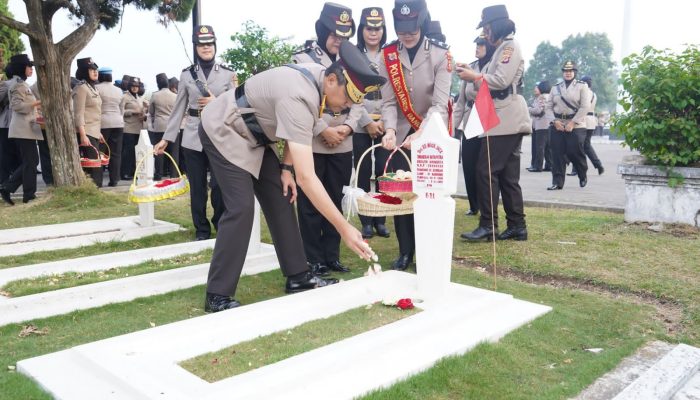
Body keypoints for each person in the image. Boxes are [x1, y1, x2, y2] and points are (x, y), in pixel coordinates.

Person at [160, 40, 384, 312]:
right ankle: (217, 294)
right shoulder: (300, 93)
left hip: (255, 135)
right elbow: (308, 178)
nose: (347, 105)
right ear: (333, 79)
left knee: (281, 196)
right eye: (348, 97)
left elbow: (296, 130)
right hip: (223, 129)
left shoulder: (318, 79)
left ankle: (298, 276)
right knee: (241, 208)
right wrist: (344, 227)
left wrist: (286, 169)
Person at [379, 0, 452, 270]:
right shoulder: (387, 56)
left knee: (428, 195)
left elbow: (439, 104)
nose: (407, 34)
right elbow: (387, 102)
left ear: (421, 23)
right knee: (402, 195)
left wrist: (421, 132)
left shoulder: (440, 55)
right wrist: (388, 129)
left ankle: (428, 252)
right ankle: (405, 251)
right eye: (401, 29)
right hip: (399, 134)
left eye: (411, 28)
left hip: (430, 132)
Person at [292, 3, 362, 276]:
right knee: (310, 203)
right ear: (322, 31)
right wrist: (323, 129)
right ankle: (313, 258)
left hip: (342, 141)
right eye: (334, 34)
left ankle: (332, 255)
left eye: (344, 35)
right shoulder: (303, 58)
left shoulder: (353, 60)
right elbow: (300, 102)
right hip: (312, 139)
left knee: (336, 199)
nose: (338, 40)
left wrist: (346, 127)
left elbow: (360, 100)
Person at [155, 25, 237, 241]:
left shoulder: (229, 74)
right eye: (202, 44)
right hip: (193, 136)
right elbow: (178, 108)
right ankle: (201, 229)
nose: (206, 48)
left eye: (209, 44)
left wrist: (216, 101)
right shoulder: (187, 75)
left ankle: (220, 223)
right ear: (196, 48)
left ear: (215, 46)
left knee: (219, 186)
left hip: (220, 136)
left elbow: (237, 105)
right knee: (197, 188)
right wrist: (166, 138)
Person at [460, 5, 532, 242]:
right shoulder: (502, 48)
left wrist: (474, 76)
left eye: (487, 28)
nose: (486, 33)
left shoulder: (508, 47)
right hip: (502, 115)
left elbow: (500, 80)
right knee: (508, 176)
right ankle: (517, 225)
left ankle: (489, 225)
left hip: (505, 116)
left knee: (485, 170)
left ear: (497, 25)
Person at [353, 6, 391, 239]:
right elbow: (350, 93)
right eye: (369, 28)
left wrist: (387, 122)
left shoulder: (390, 54)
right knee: (363, 172)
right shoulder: (354, 54)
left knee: (385, 174)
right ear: (362, 30)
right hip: (360, 122)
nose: (373, 33)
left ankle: (381, 219)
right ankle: (366, 220)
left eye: (378, 28)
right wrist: (367, 121)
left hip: (386, 123)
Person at [453, 33, 496, 217]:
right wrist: (452, 127)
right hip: (470, 120)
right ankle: (473, 204)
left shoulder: (493, 66)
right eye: (476, 44)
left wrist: (476, 77)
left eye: (481, 44)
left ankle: (487, 205)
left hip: (487, 118)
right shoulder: (471, 67)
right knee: (469, 164)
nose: (477, 47)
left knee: (484, 166)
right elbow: (461, 101)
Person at [0, 54, 43, 205]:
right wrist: (37, 103)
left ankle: (12, 189)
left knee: (30, 161)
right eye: (28, 66)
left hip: (28, 127)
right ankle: (27, 194)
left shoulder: (23, 85)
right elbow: (17, 106)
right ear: (21, 68)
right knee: (30, 161)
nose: (31, 69)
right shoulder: (17, 85)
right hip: (21, 128)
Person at [546, 61, 590, 190]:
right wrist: (554, 121)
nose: (568, 73)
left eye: (570, 71)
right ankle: (557, 182)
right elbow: (548, 107)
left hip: (576, 124)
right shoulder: (555, 88)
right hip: (558, 124)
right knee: (557, 154)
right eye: (566, 71)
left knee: (574, 151)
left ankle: (582, 173)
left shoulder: (582, 86)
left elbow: (585, 106)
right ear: (563, 73)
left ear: (574, 72)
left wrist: (573, 122)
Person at [72, 57, 104, 188]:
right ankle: (95, 190)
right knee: (94, 165)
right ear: (84, 72)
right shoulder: (81, 88)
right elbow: (78, 113)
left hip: (94, 131)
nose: (95, 72)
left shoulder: (93, 88)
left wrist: (99, 132)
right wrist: (83, 135)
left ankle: (93, 190)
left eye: (96, 69)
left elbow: (95, 113)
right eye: (91, 70)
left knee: (94, 164)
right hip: (86, 132)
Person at [96, 67, 125, 187]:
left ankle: (98, 180)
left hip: (103, 123)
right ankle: (114, 180)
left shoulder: (97, 88)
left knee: (100, 152)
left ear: (100, 76)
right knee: (116, 153)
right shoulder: (119, 90)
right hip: (118, 122)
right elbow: (122, 109)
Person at [570, 75, 604, 176]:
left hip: (583, 121)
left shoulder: (584, 92)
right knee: (585, 145)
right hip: (591, 121)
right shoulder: (594, 94)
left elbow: (582, 107)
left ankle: (578, 168)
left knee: (577, 146)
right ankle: (596, 164)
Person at [148, 73, 177, 180]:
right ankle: (174, 174)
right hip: (173, 126)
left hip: (159, 126)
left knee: (159, 151)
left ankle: (158, 175)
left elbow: (151, 111)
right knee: (174, 152)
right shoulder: (175, 95)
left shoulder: (155, 95)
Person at [120, 76, 147, 180]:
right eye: (133, 86)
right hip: (129, 128)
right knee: (128, 153)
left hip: (139, 128)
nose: (135, 88)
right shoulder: (125, 97)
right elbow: (121, 112)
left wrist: (144, 114)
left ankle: (133, 172)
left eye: (137, 86)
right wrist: (132, 112)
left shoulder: (139, 98)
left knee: (136, 153)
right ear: (129, 86)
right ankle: (124, 173)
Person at [527, 80, 554, 172]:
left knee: (540, 147)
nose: (535, 88)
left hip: (542, 124)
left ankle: (538, 166)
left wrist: (529, 109)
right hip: (547, 124)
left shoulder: (542, 97)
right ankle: (549, 165)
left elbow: (539, 111)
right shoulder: (549, 96)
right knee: (547, 147)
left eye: (537, 87)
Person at [0, 69, 21, 189]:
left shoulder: (22, 83)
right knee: (5, 154)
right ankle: (4, 181)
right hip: (5, 123)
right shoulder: (6, 84)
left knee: (15, 154)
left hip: (15, 123)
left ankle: (9, 182)